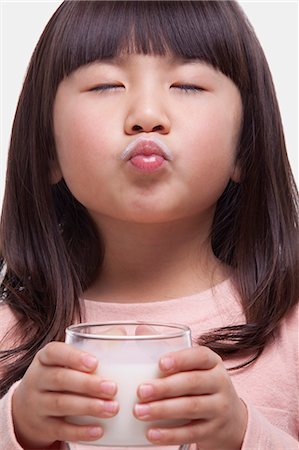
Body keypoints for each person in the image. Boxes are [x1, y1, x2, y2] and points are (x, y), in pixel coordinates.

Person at [0, 1, 298, 449]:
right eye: (105, 84)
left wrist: (242, 436)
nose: (146, 114)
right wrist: (17, 425)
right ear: (47, 152)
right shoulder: (9, 333)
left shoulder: (288, 329)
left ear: (245, 148)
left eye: (188, 84)